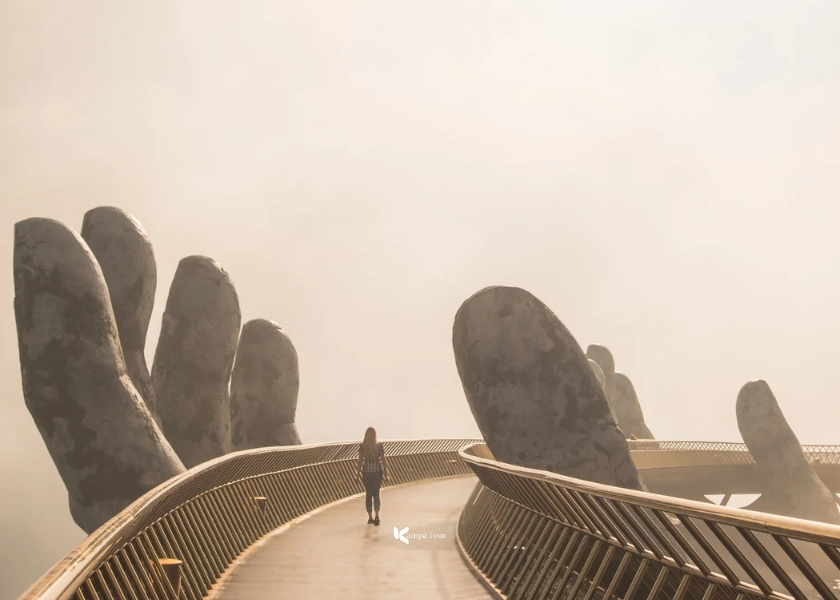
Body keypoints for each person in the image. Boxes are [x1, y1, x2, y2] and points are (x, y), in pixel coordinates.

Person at [357, 426, 388, 525]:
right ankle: (377, 515)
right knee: (376, 494)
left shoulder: (363, 447)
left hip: (366, 473)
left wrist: (357, 475)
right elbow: (383, 461)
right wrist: (386, 474)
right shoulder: (379, 446)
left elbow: (360, 462)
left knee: (368, 494)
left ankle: (370, 517)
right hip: (377, 472)